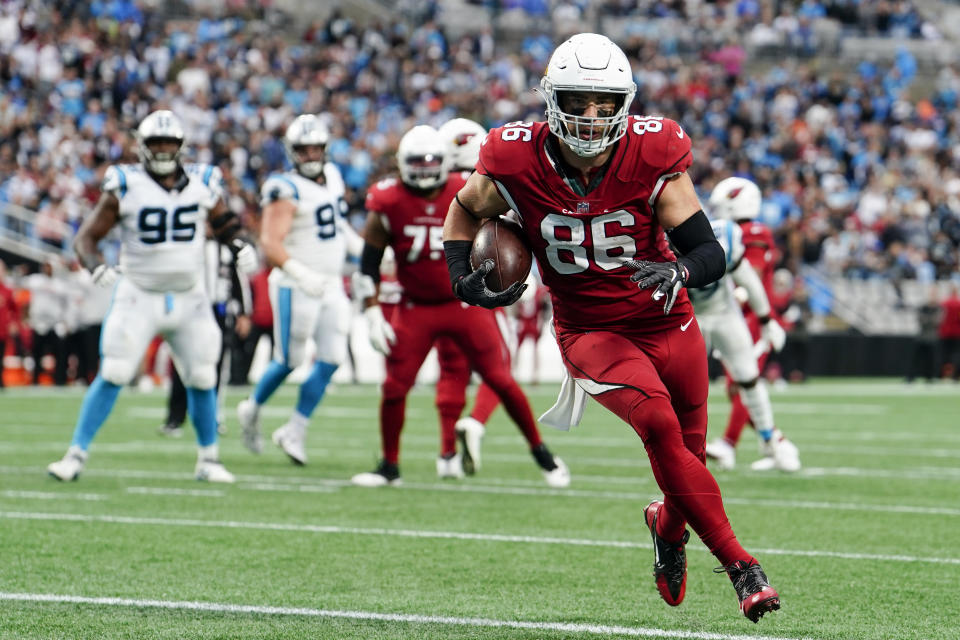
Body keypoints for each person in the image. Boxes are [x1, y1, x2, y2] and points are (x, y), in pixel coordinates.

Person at [442, 33, 780, 622]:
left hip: (669, 322)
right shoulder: (513, 155)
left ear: (624, 102)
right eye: (578, 101)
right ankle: (742, 566)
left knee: (689, 454)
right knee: (655, 422)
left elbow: (708, 250)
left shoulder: (655, 150)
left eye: (604, 103)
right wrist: (457, 270)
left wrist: (678, 268)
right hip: (592, 331)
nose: (592, 117)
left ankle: (666, 527)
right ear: (552, 99)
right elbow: (469, 208)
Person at [351, 124, 569, 488]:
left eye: (429, 161)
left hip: (464, 302)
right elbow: (368, 263)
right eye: (415, 162)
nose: (423, 168)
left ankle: (543, 455)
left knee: (499, 378)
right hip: (416, 307)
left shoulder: (463, 189)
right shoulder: (387, 200)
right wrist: (373, 310)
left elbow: (504, 227)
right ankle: (390, 466)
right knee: (394, 386)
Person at [47, 110, 258, 484]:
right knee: (114, 370)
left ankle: (208, 459)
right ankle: (75, 455)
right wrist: (95, 265)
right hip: (139, 293)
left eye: (169, 143)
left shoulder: (203, 182)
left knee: (203, 375)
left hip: (189, 295)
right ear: (142, 147)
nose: (162, 150)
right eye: (155, 143)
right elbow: (86, 238)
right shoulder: (125, 184)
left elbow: (226, 225)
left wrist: (241, 245)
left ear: (181, 147)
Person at [432, 117, 560, 479]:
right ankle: (481, 425)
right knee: (499, 372)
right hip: (485, 289)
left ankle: (446, 456)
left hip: (445, 292)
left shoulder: (430, 189)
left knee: (451, 374)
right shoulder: (486, 187)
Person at [236, 114, 361, 465]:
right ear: (292, 153)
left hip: (332, 282)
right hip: (296, 283)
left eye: (315, 149)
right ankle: (252, 407)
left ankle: (295, 430)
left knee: (333, 358)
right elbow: (270, 243)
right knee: (290, 360)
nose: (309, 156)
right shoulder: (283, 188)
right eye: (302, 150)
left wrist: (365, 252)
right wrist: (301, 274)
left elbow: (337, 227)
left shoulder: (333, 176)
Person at [696, 178, 800, 472]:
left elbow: (749, 276)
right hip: (730, 313)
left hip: (747, 315)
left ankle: (733, 443)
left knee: (744, 382)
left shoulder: (751, 232)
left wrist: (764, 319)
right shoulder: (722, 231)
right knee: (736, 386)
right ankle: (776, 441)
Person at [159, 239, 251, 437]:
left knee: (217, 364)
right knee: (181, 363)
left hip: (218, 311)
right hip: (189, 309)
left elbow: (237, 280)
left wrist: (243, 312)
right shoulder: (187, 241)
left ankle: (213, 417)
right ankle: (175, 418)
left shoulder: (229, 245)